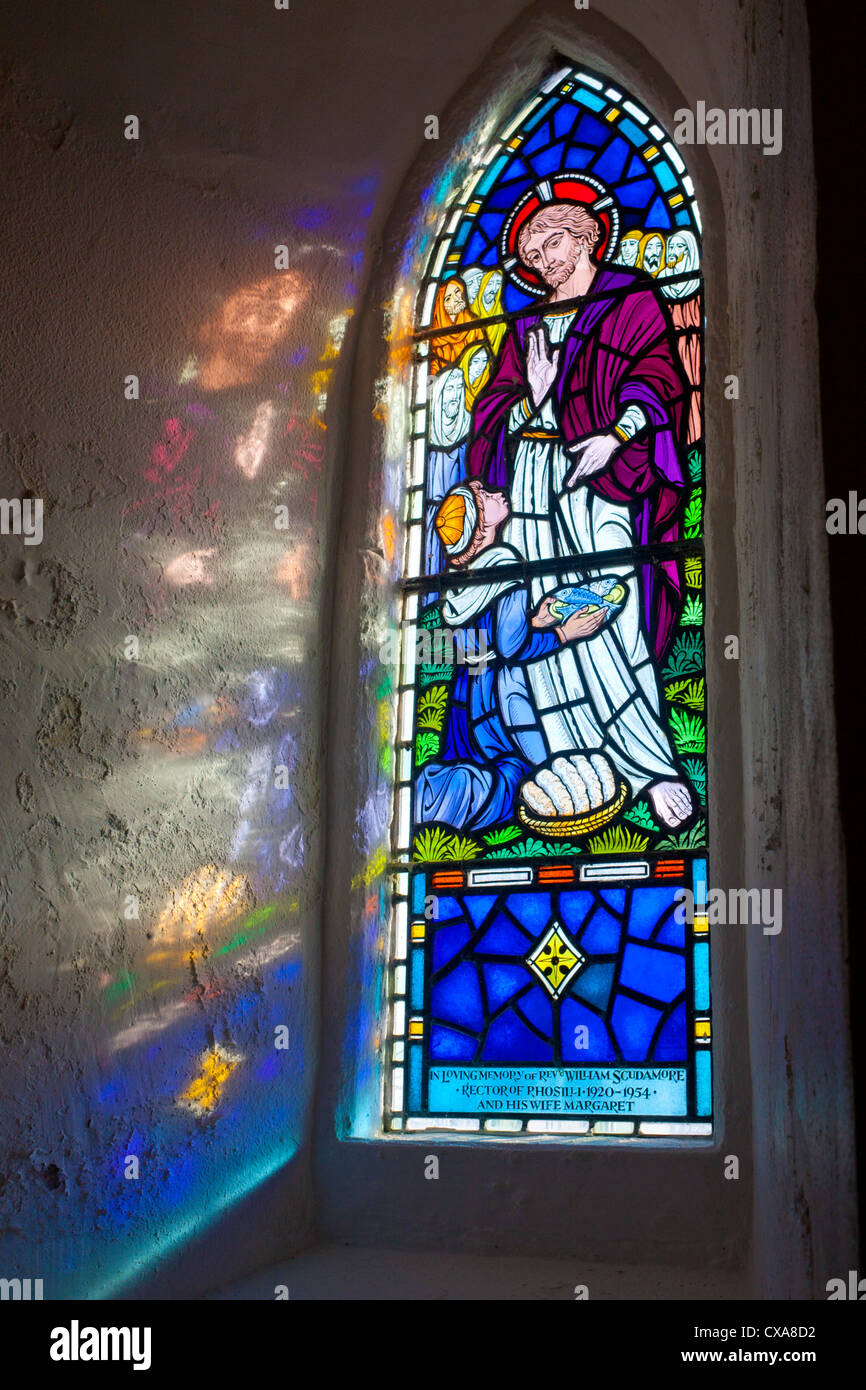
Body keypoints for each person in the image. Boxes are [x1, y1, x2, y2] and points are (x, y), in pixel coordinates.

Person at [468, 199, 693, 828]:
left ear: (587, 238)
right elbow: (493, 411)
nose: (542, 263)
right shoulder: (530, 325)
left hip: (607, 481)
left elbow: (659, 377)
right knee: (551, 616)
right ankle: (574, 755)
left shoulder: (630, 297)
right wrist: (532, 402)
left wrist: (617, 435)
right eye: (533, 257)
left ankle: (651, 768)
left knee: (612, 611)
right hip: (537, 481)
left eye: (552, 246)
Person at [416, 481, 605, 830]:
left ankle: (448, 795)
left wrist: (534, 619)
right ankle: (459, 802)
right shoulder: (505, 566)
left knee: (470, 758)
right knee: (515, 773)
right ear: (480, 527)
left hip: (466, 695)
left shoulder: (462, 582)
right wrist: (565, 633)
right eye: (485, 497)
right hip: (493, 702)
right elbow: (511, 647)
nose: (498, 493)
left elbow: (481, 642)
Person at [428, 278, 483, 374]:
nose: (457, 299)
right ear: (441, 306)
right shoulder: (437, 339)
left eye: (457, 292)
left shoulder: (473, 325)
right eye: (448, 298)